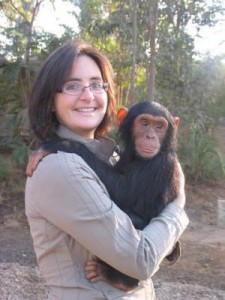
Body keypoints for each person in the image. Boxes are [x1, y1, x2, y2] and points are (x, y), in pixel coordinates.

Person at [25, 39, 189, 300]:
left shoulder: (109, 154)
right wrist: (177, 207)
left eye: (96, 84)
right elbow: (142, 259)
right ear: (50, 100)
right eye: (72, 85)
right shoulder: (60, 165)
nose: (88, 95)